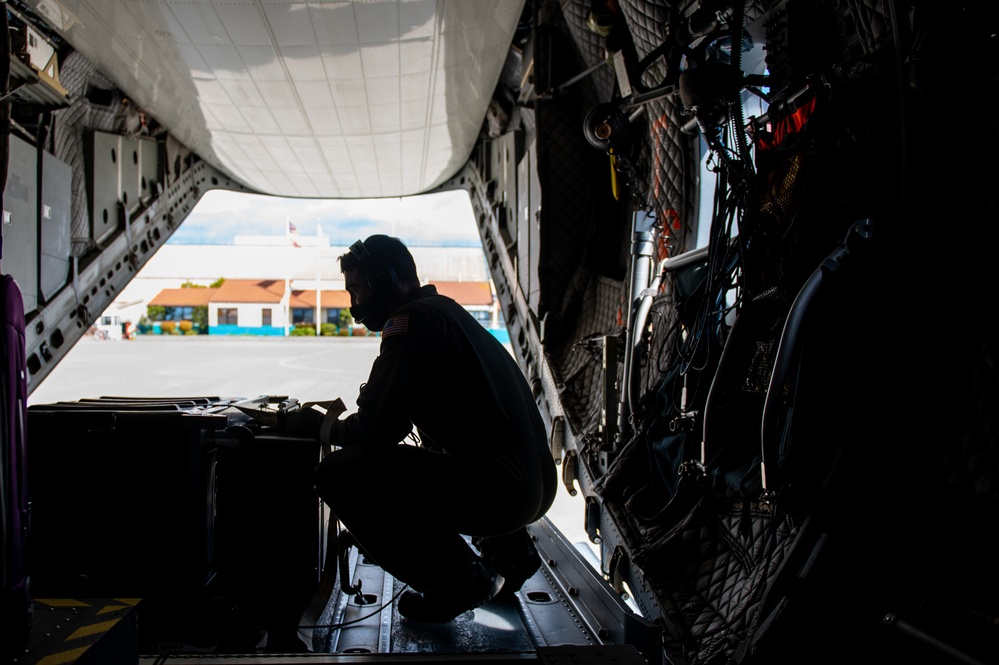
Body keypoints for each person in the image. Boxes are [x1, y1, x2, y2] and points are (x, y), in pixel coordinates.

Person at [285, 234, 558, 623]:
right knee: (436, 443)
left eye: (358, 290)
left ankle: (458, 581)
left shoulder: (409, 322)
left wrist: (323, 427)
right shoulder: (445, 311)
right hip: (529, 484)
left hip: (504, 491)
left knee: (338, 474)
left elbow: (377, 429)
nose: (354, 305)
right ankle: (512, 556)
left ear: (384, 280)